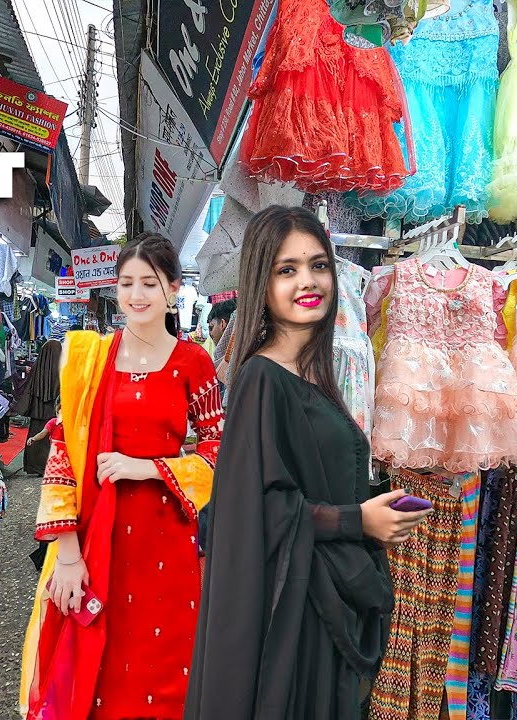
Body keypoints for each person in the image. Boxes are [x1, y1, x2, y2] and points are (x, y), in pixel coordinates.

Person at [185, 206, 432, 720]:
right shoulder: (261, 379)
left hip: (320, 601)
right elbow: (253, 510)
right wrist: (357, 520)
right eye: (287, 269)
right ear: (262, 280)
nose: (307, 281)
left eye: (318, 265)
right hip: (292, 612)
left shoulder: (314, 375)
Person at [20, 233, 224, 720]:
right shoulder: (91, 360)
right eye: (126, 283)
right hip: (97, 538)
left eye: (149, 284)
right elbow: (65, 452)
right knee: (97, 666)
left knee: (165, 666)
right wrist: (66, 555)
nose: (136, 295)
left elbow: (221, 452)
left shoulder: (193, 363)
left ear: (173, 289)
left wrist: (150, 469)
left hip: (167, 542)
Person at [16, 339, 62, 475]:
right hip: (53, 409)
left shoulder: (38, 366)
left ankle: (34, 466)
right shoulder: (61, 368)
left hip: (37, 408)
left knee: (36, 434)